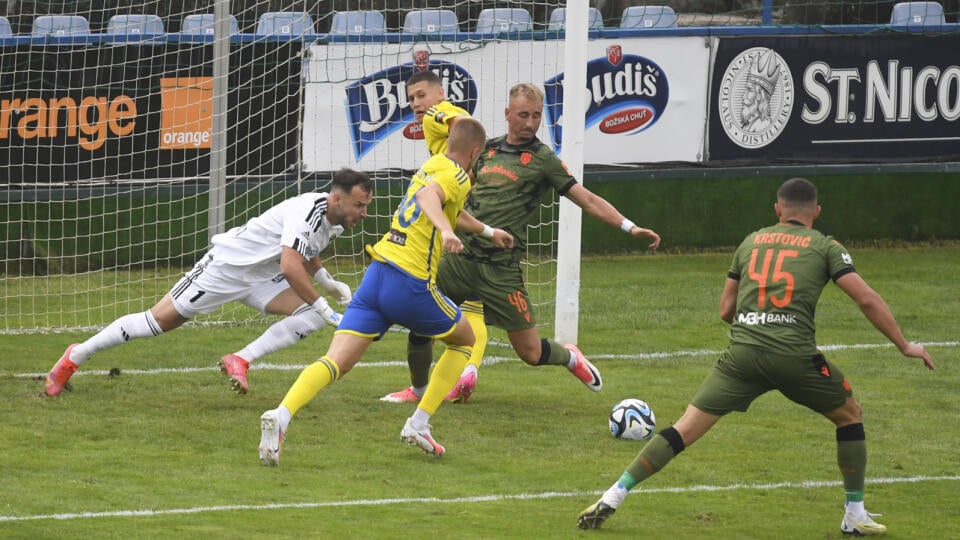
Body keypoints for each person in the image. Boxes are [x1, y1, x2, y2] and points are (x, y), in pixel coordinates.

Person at [576, 178, 935, 535]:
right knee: (850, 415)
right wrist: (904, 345)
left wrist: (755, 324)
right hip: (794, 357)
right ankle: (854, 513)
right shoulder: (826, 246)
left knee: (683, 429)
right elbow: (866, 298)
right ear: (817, 212)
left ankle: (614, 493)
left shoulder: (751, 241)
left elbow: (725, 310)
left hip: (741, 357)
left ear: (777, 209)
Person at [380, 83, 661, 405]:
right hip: (460, 260)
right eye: (523, 115)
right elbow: (455, 189)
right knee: (421, 323)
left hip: (502, 269)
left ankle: (570, 358)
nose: (530, 123)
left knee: (530, 352)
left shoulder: (543, 160)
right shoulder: (484, 151)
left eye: (537, 116)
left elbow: (586, 199)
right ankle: (417, 391)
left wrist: (629, 226)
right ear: (508, 114)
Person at [257, 117, 513, 465]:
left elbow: (446, 208)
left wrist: (486, 231)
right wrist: (446, 233)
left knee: (336, 362)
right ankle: (419, 423)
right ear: (475, 152)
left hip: (377, 275)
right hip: (409, 282)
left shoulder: (431, 165)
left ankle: (282, 415)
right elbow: (429, 199)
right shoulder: (456, 175)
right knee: (464, 341)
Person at [43, 168, 374, 397]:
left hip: (260, 278)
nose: (363, 213)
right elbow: (291, 266)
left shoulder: (334, 220)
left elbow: (305, 251)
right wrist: (326, 306)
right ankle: (75, 356)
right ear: (336, 198)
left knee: (309, 316)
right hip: (226, 268)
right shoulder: (308, 210)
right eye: (359, 205)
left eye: (365, 206)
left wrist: (326, 282)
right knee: (157, 322)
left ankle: (240, 359)